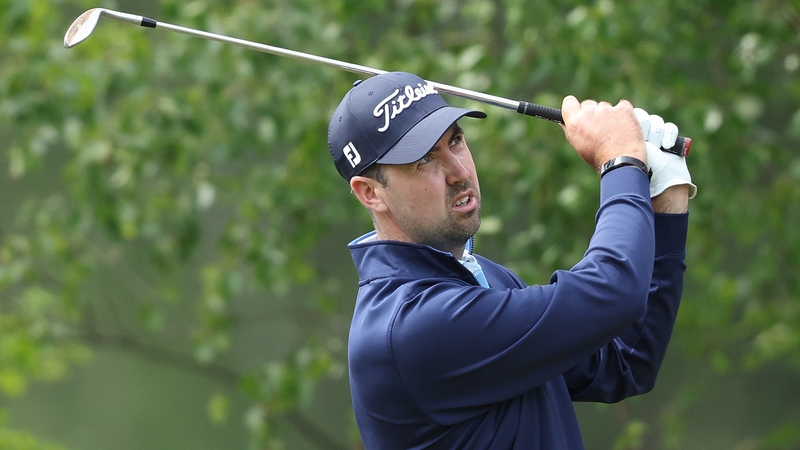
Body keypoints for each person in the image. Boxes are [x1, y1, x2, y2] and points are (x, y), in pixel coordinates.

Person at [326, 71, 696, 449]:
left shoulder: (480, 278)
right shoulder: (411, 328)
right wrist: (620, 161)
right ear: (371, 193)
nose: (459, 171)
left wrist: (665, 198)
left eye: (456, 141)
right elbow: (613, 293)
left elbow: (626, 360)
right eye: (425, 160)